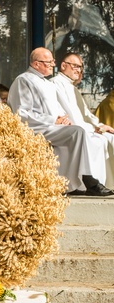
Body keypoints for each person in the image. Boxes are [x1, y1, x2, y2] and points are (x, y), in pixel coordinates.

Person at [8, 47, 114, 196]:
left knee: (76, 130)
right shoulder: (24, 80)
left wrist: (64, 119)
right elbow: (21, 112)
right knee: (77, 132)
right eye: (49, 62)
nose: (53, 64)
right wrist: (53, 119)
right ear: (36, 63)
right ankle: (88, 180)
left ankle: (71, 184)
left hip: (52, 126)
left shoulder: (47, 83)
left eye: (52, 61)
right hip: (36, 127)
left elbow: (57, 108)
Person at [51, 52, 114, 189]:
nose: (78, 70)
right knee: (98, 140)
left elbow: (85, 114)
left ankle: (106, 184)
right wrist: (95, 128)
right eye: (75, 66)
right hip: (70, 129)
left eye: (80, 67)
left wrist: (101, 126)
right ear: (63, 66)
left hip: (86, 127)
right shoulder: (55, 84)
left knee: (109, 138)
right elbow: (70, 115)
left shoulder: (72, 88)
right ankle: (89, 185)